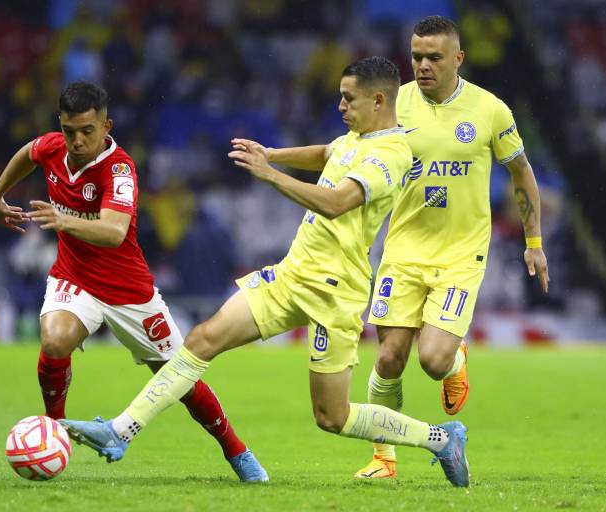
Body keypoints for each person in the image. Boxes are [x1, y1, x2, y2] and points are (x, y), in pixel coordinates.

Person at [60, 57, 471, 487]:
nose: (341, 106)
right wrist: (272, 152)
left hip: (336, 292)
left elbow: (335, 203)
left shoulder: (390, 155)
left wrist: (269, 174)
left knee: (332, 416)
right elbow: (328, 153)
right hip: (293, 275)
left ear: (380, 100)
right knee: (203, 338)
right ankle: (121, 430)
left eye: (348, 99)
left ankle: (441, 439)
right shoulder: (356, 137)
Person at [0, 81, 268, 482]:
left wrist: (62, 219)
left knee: (180, 379)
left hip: (128, 291)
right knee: (54, 340)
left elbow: (115, 231)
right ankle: (55, 430)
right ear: (60, 126)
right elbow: (30, 152)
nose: (78, 141)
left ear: (106, 126)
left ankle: (237, 451)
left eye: (88, 131)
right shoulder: (53, 146)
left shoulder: (119, 169)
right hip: (74, 276)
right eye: (70, 131)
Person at [356, 16, 550, 480]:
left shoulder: (490, 110)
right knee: (387, 358)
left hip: (461, 255)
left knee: (433, 360)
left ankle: (456, 359)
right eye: (417, 56)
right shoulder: (392, 105)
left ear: (458, 59)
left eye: (434, 58)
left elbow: (521, 172)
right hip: (403, 249)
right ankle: (384, 458)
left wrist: (534, 243)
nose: (423, 65)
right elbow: (349, 161)